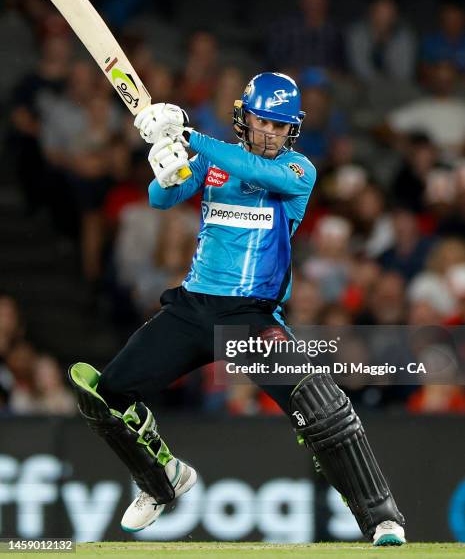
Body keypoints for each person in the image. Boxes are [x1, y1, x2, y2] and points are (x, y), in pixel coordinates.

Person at [68, 72, 405, 546]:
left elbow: (257, 172)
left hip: (249, 317)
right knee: (105, 397)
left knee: (322, 406)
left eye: (279, 125)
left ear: (293, 130)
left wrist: (186, 131)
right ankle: (161, 479)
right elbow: (160, 199)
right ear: (243, 117)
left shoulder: (298, 171)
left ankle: (382, 518)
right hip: (191, 308)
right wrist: (166, 164)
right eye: (260, 120)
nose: (269, 132)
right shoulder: (212, 160)